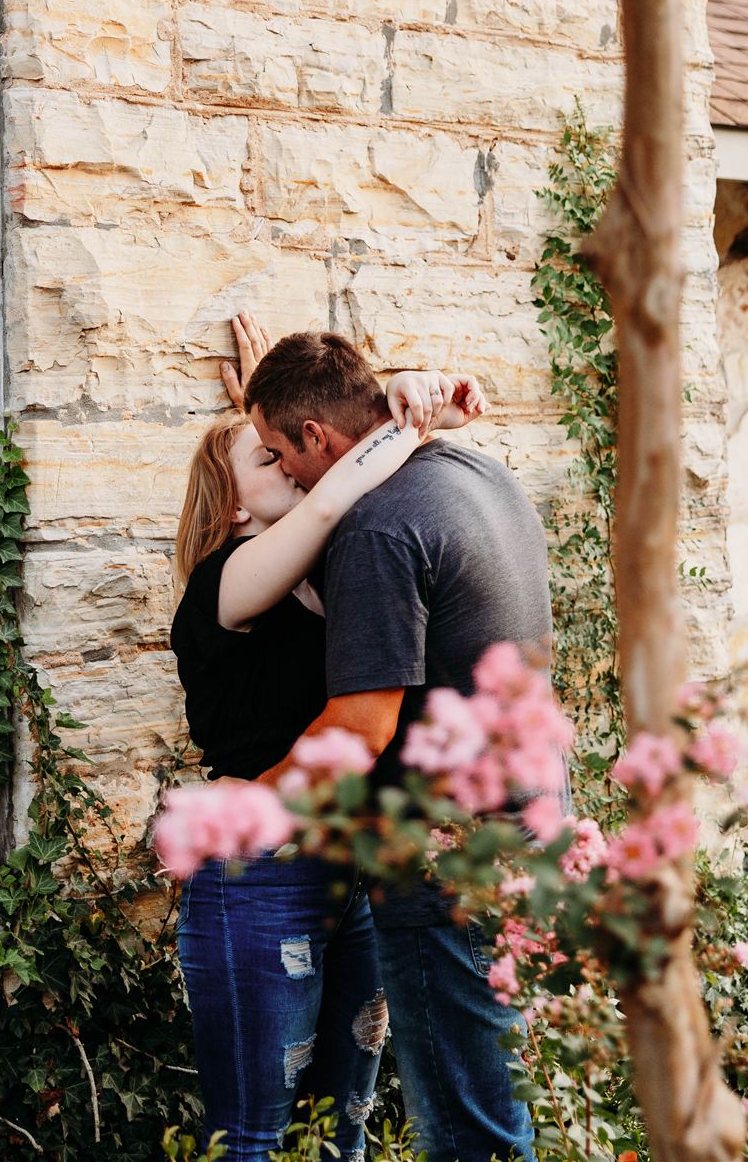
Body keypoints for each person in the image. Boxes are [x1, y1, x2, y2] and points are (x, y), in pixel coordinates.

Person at [170, 314, 484, 1162]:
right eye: (265, 460)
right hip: (257, 871)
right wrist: (403, 410)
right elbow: (340, 486)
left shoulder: (323, 569)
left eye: (285, 450)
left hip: (345, 865)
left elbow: (338, 479)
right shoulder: (225, 582)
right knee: (256, 1139)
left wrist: (301, 407)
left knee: (340, 1127)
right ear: (233, 501)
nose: (290, 470)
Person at [243, 330, 556, 1162]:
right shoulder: (475, 472)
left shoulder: (376, 529)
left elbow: (358, 728)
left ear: (318, 437)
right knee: (495, 1097)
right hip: (527, 822)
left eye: (279, 453)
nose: (284, 478)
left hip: (444, 856)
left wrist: (240, 812)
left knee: (467, 1131)